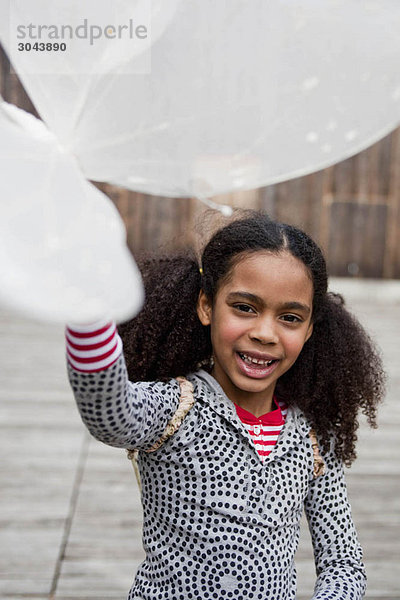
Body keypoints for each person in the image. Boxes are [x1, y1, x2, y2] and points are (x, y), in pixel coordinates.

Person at [66, 211, 385, 600]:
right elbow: (108, 414)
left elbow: (343, 563)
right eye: (244, 308)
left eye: (289, 317)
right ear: (206, 306)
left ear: (310, 328)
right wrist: (88, 314)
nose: (265, 333)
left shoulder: (314, 437)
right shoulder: (175, 409)